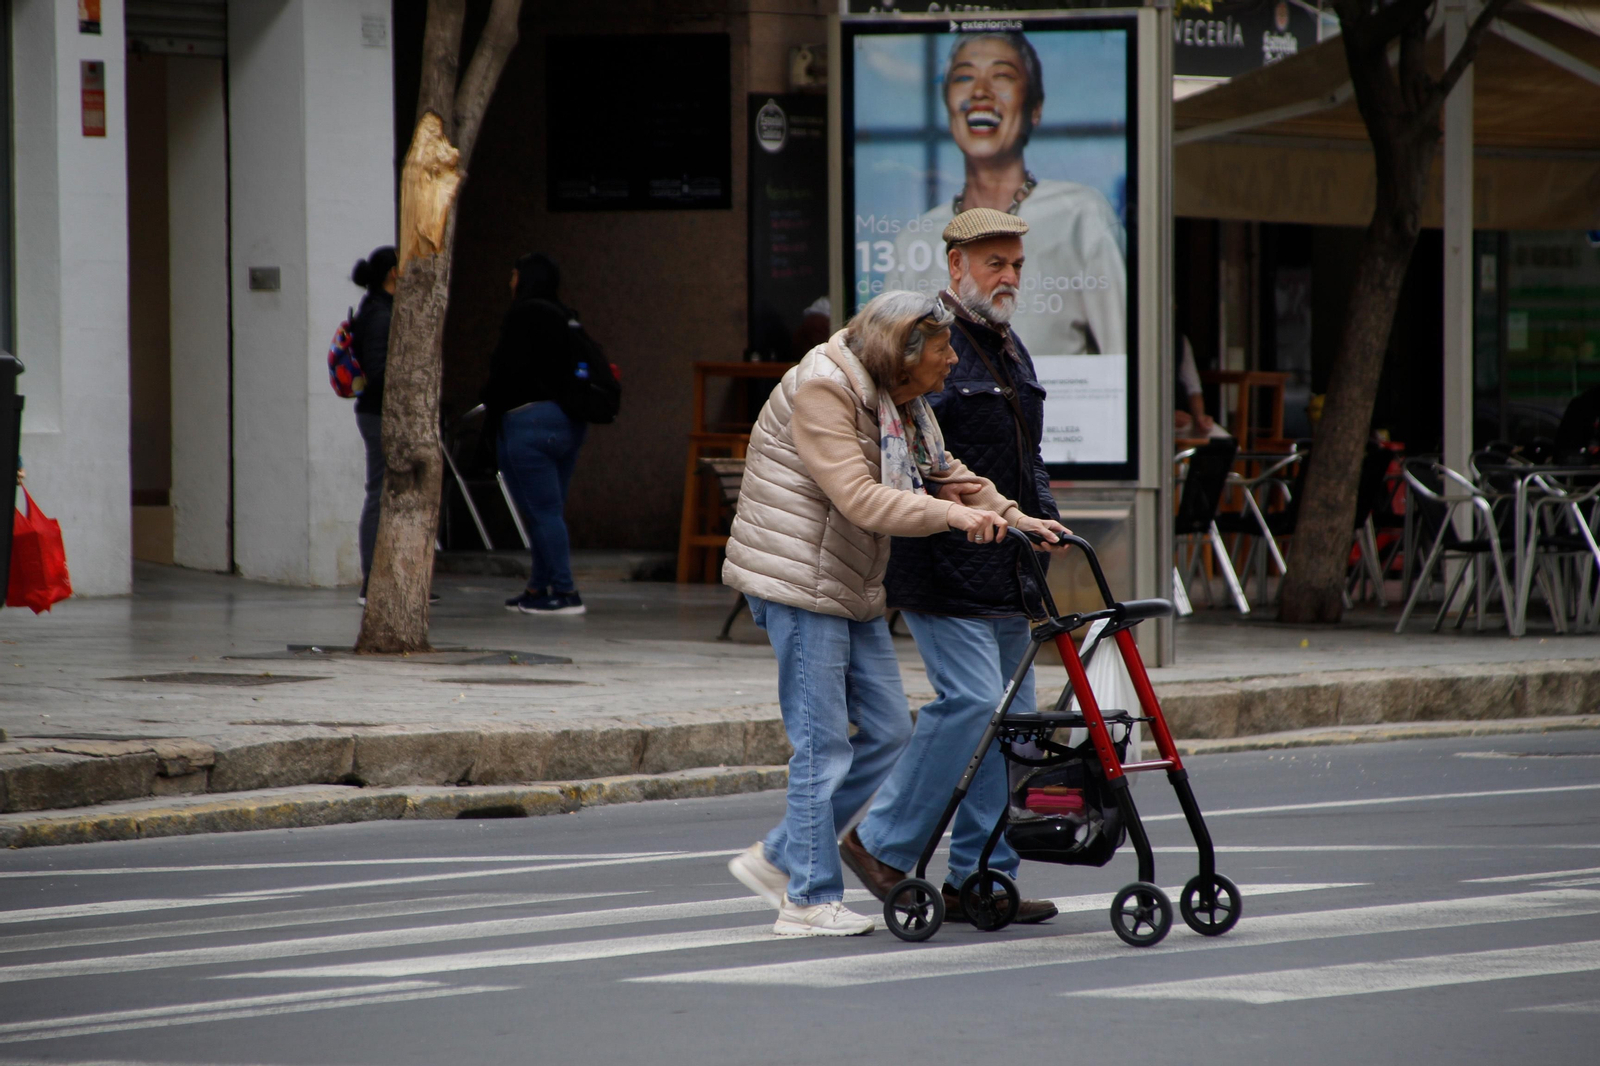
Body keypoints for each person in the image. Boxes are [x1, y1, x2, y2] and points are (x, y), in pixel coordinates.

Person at [723, 289, 1063, 937]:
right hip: (797, 580)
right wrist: (954, 518)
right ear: (901, 355)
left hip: (847, 580)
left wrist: (1014, 516)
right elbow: (860, 498)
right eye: (941, 354)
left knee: (887, 733)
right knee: (823, 744)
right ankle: (807, 899)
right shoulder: (825, 388)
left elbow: (945, 471)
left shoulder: (896, 398)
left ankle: (781, 854)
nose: (950, 364)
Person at [843, 209, 1070, 925]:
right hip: (943, 562)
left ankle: (982, 877)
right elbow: (911, 456)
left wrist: (1039, 522)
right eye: (994, 263)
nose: (1008, 277)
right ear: (956, 268)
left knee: (1016, 723)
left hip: (1010, 565)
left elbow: (1025, 456)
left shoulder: (1009, 347)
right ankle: (880, 841)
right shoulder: (930, 346)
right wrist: (954, 519)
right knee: (972, 703)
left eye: (1016, 266)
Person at [889, 31, 1127, 359]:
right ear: (947, 106)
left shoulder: (1081, 214)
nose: (981, 92)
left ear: (1035, 108)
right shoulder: (914, 238)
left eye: (1002, 75)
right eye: (964, 76)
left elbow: (1122, 354)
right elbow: (890, 365)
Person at [482, 253, 589, 616]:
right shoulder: (566, 315)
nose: (509, 282)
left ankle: (565, 590)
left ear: (524, 279)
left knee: (540, 512)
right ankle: (538, 587)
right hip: (568, 422)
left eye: (513, 275)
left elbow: (503, 372)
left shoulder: (522, 316)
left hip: (528, 424)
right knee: (549, 510)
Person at [350, 246, 397, 606]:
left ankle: (383, 578)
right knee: (378, 493)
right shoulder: (380, 314)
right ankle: (371, 581)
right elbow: (378, 371)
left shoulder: (380, 308)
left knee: (382, 492)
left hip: (377, 411)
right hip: (378, 413)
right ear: (392, 273)